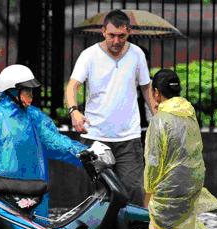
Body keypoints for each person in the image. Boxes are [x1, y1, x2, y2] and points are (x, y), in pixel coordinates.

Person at [0, 64, 87, 218]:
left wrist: (82, 153)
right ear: (12, 91)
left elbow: (54, 142)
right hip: (3, 195)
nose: (31, 95)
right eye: (27, 90)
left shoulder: (34, 117)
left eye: (31, 90)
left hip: (33, 192)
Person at [65, 9, 155, 206]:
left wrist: (157, 115)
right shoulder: (89, 55)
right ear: (103, 31)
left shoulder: (137, 54)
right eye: (112, 35)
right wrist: (74, 111)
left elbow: (146, 86)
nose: (116, 41)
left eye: (121, 36)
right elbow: (72, 86)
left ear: (129, 32)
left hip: (128, 139)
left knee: (133, 191)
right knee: (95, 194)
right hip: (94, 136)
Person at [144, 69, 217, 229]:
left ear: (156, 92)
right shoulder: (189, 113)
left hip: (171, 183)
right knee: (174, 226)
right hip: (194, 179)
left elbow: (154, 162)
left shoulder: (159, 120)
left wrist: (148, 191)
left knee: (155, 228)